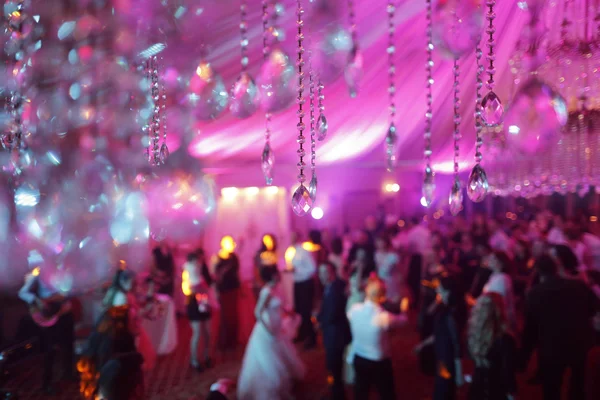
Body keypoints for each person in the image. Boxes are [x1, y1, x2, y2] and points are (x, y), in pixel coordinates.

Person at [521, 254, 600, 400]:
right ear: (557, 268)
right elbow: (594, 310)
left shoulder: (535, 293)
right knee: (578, 387)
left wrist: (523, 358)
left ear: (538, 270)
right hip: (580, 344)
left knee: (551, 389)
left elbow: (530, 329)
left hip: (551, 348)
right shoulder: (578, 286)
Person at [237, 268, 305, 399]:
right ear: (272, 276)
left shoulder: (275, 288)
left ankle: (286, 382)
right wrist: (267, 329)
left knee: (281, 353)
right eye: (277, 273)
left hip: (276, 326)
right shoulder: (266, 291)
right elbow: (257, 312)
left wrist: (289, 312)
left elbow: (279, 305)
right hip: (267, 329)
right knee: (269, 360)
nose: (279, 275)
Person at [79, 269, 141, 399]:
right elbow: (125, 321)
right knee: (116, 374)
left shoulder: (112, 292)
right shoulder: (122, 298)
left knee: (104, 370)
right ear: (124, 281)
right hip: (116, 339)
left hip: (106, 337)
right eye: (132, 282)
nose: (133, 285)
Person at [347, 275, 407, 400]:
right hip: (378, 361)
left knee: (360, 392)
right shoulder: (383, 317)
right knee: (386, 393)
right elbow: (403, 320)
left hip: (358, 357)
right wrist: (404, 308)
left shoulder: (354, 310)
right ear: (382, 296)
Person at [18, 267, 75, 394]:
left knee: (69, 344)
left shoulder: (65, 271)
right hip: (49, 314)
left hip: (65, 312)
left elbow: (67, 292)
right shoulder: (38, 274)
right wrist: (37, 301)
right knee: (50, 350)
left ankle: (68, 374)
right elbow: (22, 293)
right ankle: (47, 383)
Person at [415, 276, 465, 400]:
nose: (437, 291)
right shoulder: (443, 309)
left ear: (448, 292)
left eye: (440, 288)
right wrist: (422, 344)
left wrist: (459, 372)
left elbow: (456, 342)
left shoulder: (450, 314)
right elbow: (439, 333)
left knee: (444, 390)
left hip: (446, 360)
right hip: (441, 357)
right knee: (442, 388)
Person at [467, 293, 517, 400]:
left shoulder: (474, 334)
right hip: (497, 391)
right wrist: (512, 393)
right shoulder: (505, 340)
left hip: (477, 388)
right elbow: (508, 372)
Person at [318, 262, 351, 400]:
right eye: (320, 273)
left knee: (334, 368)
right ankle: (335, 392)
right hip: (335, 334)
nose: (321, 276)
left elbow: (331, 315)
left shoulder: (335, 289)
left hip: (335, 337)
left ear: (332, 273)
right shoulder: (334, 286)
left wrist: (319, 321)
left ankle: (337, 396)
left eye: (325, 272)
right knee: (335, 369)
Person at [183, 251, 214, 371]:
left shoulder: (201, 274)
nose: (198, 263)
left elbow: (207, 287)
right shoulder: (186, 275)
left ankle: (206, 356)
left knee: (207, 331)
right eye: (196, 261)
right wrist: (197, 289)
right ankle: (194, 360)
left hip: (203, 302)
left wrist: (203, 289)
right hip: (193, 304)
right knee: (197, 332)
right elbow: (187, 291)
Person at [290, 232, 318, 349]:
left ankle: (311, 338)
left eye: (293, 236)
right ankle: (302, 334)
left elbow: (312, 268)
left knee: (306, 311)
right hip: (298, 283)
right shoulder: (294, 251)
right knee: (299, 310)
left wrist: (297, 271)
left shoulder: (304, 251)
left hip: (305, 283)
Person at [213, 235, 241, 352]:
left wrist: (240, 287)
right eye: (230, 243)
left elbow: (237, 273)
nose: (232, 244)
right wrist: (215, 292)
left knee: (234, 314)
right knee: (225, 316)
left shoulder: (234, 257)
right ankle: (225, 342)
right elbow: (214, 276)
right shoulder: (216, 258)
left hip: (233, 288)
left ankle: (233, 340)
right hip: (223, 290)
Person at [482, 251, 517, 331]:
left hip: (501, 324)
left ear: (500, 263)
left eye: (493, 258)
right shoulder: (495, 276)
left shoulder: (501, 279)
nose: (489, 260)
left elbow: (499, 303)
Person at [374, 235, 401, 305]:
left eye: (381, 241)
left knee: (391, 302)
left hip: (391, 283)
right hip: (380, 282)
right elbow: (376, 270)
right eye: (378, 242)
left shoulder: (393, 256)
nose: (380, 244)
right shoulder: (375, 255)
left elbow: (399, 272)